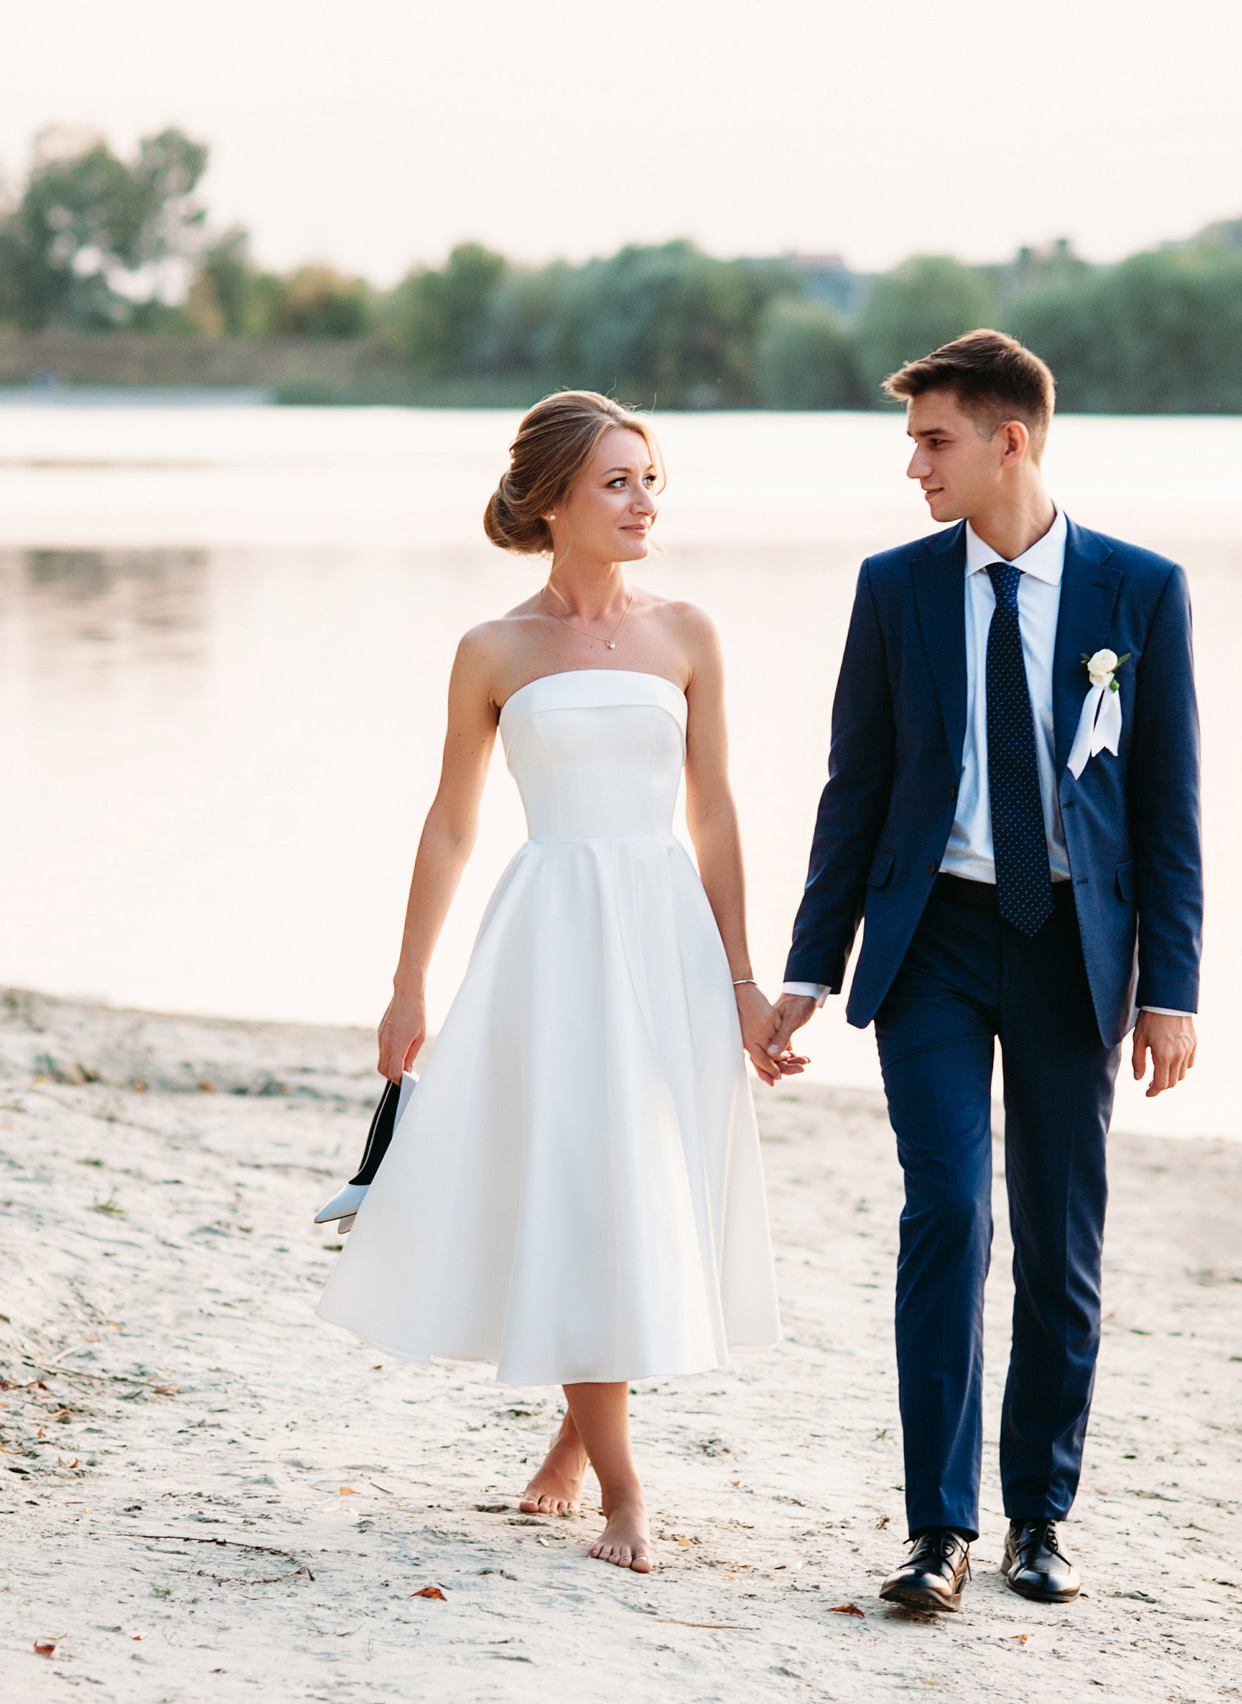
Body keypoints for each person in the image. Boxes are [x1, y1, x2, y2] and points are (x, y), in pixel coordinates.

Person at [768, 331, 1203, 1611]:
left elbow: (1169, 809)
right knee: (946, 1213)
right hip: (937, 945)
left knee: (1061, 1241)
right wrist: (807, 965)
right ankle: (935, 1530)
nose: (912, 466)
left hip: (1077, 949)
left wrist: (1169, 989)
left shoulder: (1140, 590)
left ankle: (1039, 1521)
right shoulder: (894, 588)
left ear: (1011, 440)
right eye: (912, 442)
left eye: (932, 439)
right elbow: (854, 793)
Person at [315, 391, 782, 1574]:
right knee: (583, 1185)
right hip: (551, 939)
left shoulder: (689, 634)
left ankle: (575, 1444)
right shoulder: (494, 649)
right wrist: (408, 984)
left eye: (650, 478)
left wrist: (742, 980)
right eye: (618, 481)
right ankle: (627, 1488)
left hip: (664, 935)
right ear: (553, 500)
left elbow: (716, 815)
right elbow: (450, 827)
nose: (644, 502)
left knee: (644, 1187)